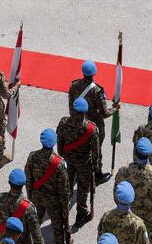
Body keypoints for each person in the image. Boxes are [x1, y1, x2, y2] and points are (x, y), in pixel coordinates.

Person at [68, 60, 117, 183]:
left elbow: (71, 105)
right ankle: (96, 172)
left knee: (79, 146)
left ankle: (76, 169)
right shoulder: (97, 91)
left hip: (77, 121)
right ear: (94, 73)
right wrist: (115, 109)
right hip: (94, 125)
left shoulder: (74, 85)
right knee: (96, 149)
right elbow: (105, 113)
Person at [114, 137, 152, 241]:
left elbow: (116, 195)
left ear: (135, 152)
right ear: (150, 154)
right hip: (148, 221)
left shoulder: (123, 171)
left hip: (127, 219)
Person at [58, 97, 100, 228]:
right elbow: (95, 151)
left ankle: (62, 211)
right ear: (85, 112)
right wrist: (95, 165)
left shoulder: (64, 122)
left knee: (67, 186)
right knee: (82, 188)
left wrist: (62, 154)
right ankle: (80, 213)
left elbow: (60, 141)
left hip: (68, 159)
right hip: (84, 163)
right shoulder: (91, 128)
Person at [25, 128, 70, 243]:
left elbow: (28, 178)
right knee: (58, 228)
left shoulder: (32, 156)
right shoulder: (59, 163)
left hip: (37, 196)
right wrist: (64, 205)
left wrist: (30, 194)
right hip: (53, 202)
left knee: (34, 224)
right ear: (54, 143)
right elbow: (63, 189)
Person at [0, 168, 42, 244]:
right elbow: (36, 235)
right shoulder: (28, 207)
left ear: (9, 182)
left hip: (2, 240)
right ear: (23, 184)